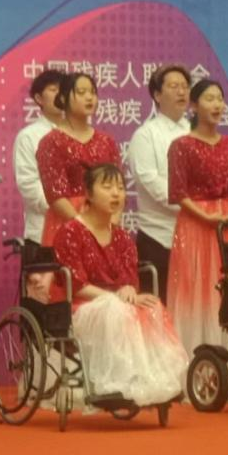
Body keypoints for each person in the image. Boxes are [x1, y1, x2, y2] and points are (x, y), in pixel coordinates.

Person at [50, 164, 189, 405]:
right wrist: (114, 297)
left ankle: (155, 382)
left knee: (151, 307)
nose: (116, 193)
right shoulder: (70, 232)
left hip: (115, 305)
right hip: (79, 307)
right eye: (107, 187)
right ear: (89, 194)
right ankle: (117, 384)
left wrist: (129, 290)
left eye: (121, 188)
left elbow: (129, 279)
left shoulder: (122, 237)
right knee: (116, 309)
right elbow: (78, 286)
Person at [165, 80, 228, 354]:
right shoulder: (181, 145)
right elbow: (178, 193)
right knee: (198, 286)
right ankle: (195, 355)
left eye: (219, 99)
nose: (217, 105)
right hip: (196, 225)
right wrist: (204, 215)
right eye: (209, 99)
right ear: (193, 105)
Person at [127, 65, 192, 302]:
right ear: (156, 95)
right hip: (159, 236)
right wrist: (192, 205)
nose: (181, 92)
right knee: (160, 307)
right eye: (174, 86)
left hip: (196, 235)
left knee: (193, 306)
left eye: (185, 87)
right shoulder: (146, 135)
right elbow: (149, 180)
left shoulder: (197, 132)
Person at [35, 72, 122, 246]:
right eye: (81, 92)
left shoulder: (107, 142)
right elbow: (55, 195)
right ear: (63, 98)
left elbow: (118, 189)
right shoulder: (51, 142)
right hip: (66, 226)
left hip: (104, 226)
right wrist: (85, 227)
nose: (89, 97)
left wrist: (110, 224)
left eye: (92, 92)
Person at [12, 69, 66, 244]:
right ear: (39, 98)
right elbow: (29, 186)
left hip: (80, 234)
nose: (60, 94)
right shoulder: (29, 136)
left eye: (63, 89)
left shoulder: (81, 135)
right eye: (53, 89)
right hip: (43, 234)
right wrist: (68, 209)